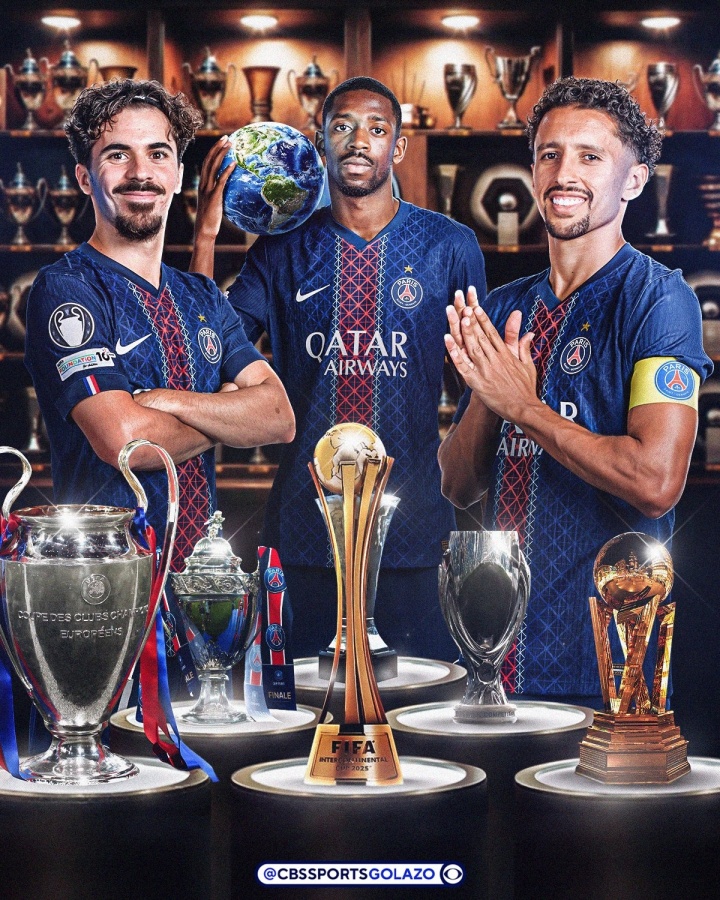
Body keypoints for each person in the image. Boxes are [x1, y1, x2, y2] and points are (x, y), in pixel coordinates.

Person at [191, 76, 486, 659]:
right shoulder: (280, 249)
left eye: (377, 129)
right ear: (320, 142)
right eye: (343, 127)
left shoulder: (449, 246)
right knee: (307, 707)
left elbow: (477, 390)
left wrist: (463, 489)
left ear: (397, 147)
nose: (359, 141)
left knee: (418, 706)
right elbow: (204, 354)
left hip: (414, 533)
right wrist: (205, 234)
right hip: (302, 530)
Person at [438, 77, 712, 702]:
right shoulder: (504, 306)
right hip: (493, 658)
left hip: (606, 667)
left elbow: (655, 482)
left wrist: (524, 408)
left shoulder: (659, 300)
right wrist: (490, 399)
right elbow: (457, 484)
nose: (565, 174)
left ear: (634, 180)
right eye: (550, 154)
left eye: (591, 157)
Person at [25, 78, 295, 573]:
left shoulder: (202, 296)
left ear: (176, 174)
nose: (140, 173)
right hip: (106, 587)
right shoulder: (67, 290)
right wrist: (227, 415)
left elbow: (278, 416)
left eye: (157, 154)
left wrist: (166, 401)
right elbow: (125, 443)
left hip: (200, 586)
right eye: (117, 155)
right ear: (84, 177)